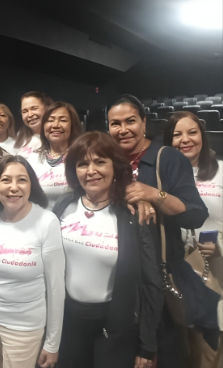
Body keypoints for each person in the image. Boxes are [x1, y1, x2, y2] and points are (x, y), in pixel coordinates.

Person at [107, 94, 210, 368]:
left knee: (162, 354)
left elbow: (195, 215)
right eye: (115, 123)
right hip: (118, 277)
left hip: (159, 274)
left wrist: (154, 194)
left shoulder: (168, 158)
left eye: (130, 121)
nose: (123, 129)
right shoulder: (107, 160)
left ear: (143, 123)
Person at [53, 131, 163, 368]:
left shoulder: (133, 214)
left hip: (115, 327)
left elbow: (151, 282)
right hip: (68, 323)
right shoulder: (64, 205)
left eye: (100, 162)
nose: (91, 170)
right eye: (83, 164)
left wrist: (147, 345)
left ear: (115, 167)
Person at [0, 155, 65, 368]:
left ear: (31, 185)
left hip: (24, 327)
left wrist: (52, 342)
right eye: (6, 180)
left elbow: (56, 287)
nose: (14, 187)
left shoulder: (47, 222)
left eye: (22, 180)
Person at [164, 111, 223, 367]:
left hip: (217, 271)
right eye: (177, 134)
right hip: (177, 271)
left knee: (210, 351)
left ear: (203, 136)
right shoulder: (163, 177)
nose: (185, 139)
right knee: (182, 348)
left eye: (192, 132)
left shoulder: (220, 172)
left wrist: (220, 247)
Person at [27, 101, 81, 210]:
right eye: (50, 120)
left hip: (76, 219)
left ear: (72, 125)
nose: (55, 125)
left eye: (63, 120)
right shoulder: (31, 159)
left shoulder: (82, 157)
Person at [14, 91, 53, 159]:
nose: (30, 115)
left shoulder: (56, 137)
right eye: (25, 111)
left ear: (47, 108)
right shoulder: (21, 135)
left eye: (34, 109)